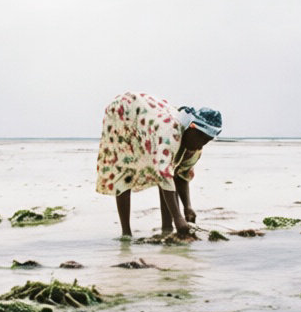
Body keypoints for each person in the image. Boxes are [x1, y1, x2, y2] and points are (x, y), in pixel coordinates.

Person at [95, 92, 222, 239]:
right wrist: (178, 218)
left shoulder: (195, 148)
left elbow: (181, 176)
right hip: (125, 111)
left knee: (169, 171)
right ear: (192, 127)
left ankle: (166, 229)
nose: (201, 143)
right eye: (201, 137)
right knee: (124, 169)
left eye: (207, 140)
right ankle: (126, 233)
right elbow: (164, 175)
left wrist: (187, 207)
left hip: (150, 119)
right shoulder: (169, 134)